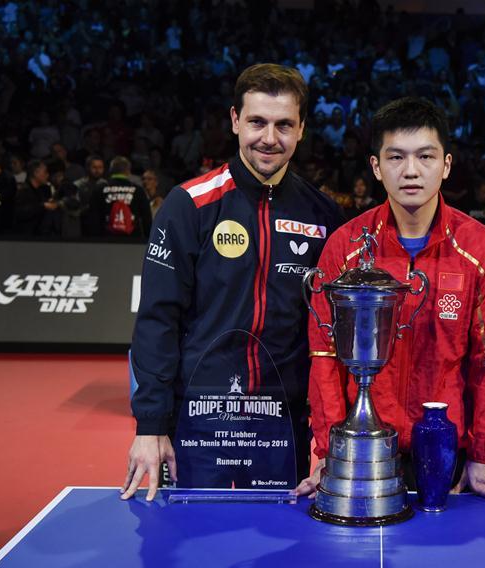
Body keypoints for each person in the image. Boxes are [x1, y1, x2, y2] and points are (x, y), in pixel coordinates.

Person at [123, 64, 343, 501]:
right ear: (235, 121)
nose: (269, 138)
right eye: (257, 122)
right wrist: (150, 426)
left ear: (301, 129)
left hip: (282, 423)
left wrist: (327, 436)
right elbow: (157, 322)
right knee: (195, 557)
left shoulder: (324, 217)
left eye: (284, 125)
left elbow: (331, 336)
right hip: (201, 419)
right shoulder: (189, 206)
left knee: (282, 558)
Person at [297, 97, 485, 502]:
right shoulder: (345, 247)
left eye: (425, 156)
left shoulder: (480, 248)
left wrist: (484, 453)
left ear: (446, 165)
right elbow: (325, 358)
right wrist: (330, 451)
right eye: (396, 157)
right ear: (376, 167)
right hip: (361, 450)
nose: (411, 171)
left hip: (444, 450)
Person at [86, 156, 152, 238]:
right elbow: (147, 219)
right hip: (133, 241)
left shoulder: (99, 189)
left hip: (105, 241)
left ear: (110, 171)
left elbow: (93, 219)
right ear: (128, 171)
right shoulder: (138, 190)